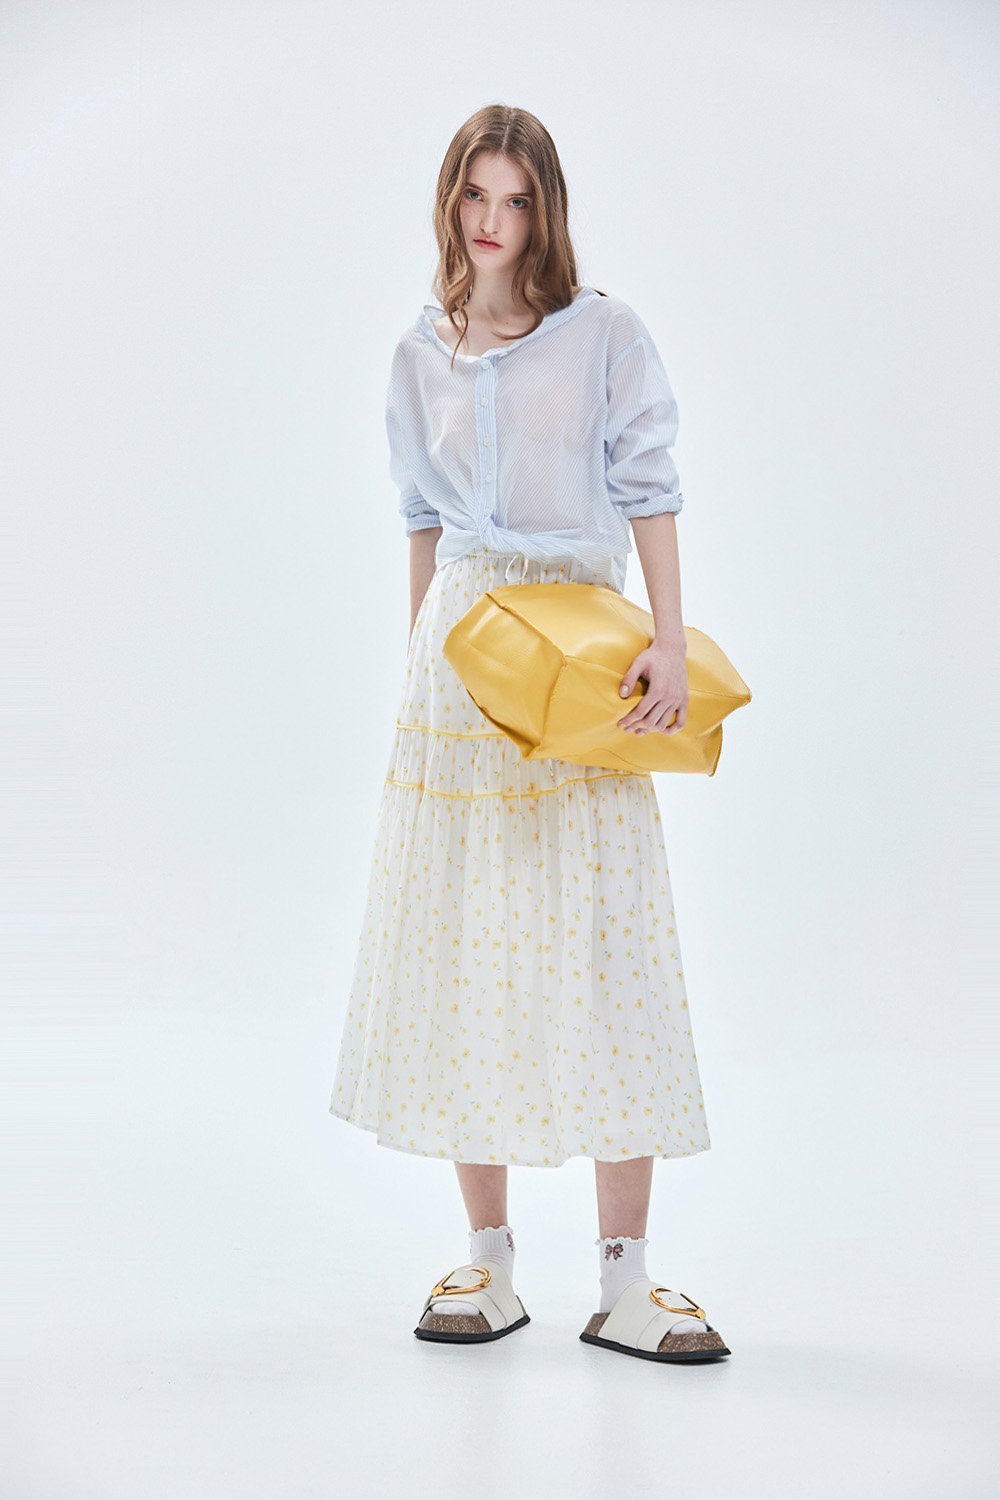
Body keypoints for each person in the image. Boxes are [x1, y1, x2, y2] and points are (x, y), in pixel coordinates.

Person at [329, 103, 730, 1363]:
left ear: (544, 209)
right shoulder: (419, 353)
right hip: (458, 666)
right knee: (465, 942)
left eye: (514, 199)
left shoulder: (604, 332)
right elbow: (420, 520)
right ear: (449, 201)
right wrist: (416, 671)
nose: (492, 221)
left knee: (609, 946)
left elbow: (649, 486)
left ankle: (624, 1278)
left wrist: (671, 640)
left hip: (579, 653)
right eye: (473, 196)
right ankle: (489, 1260)